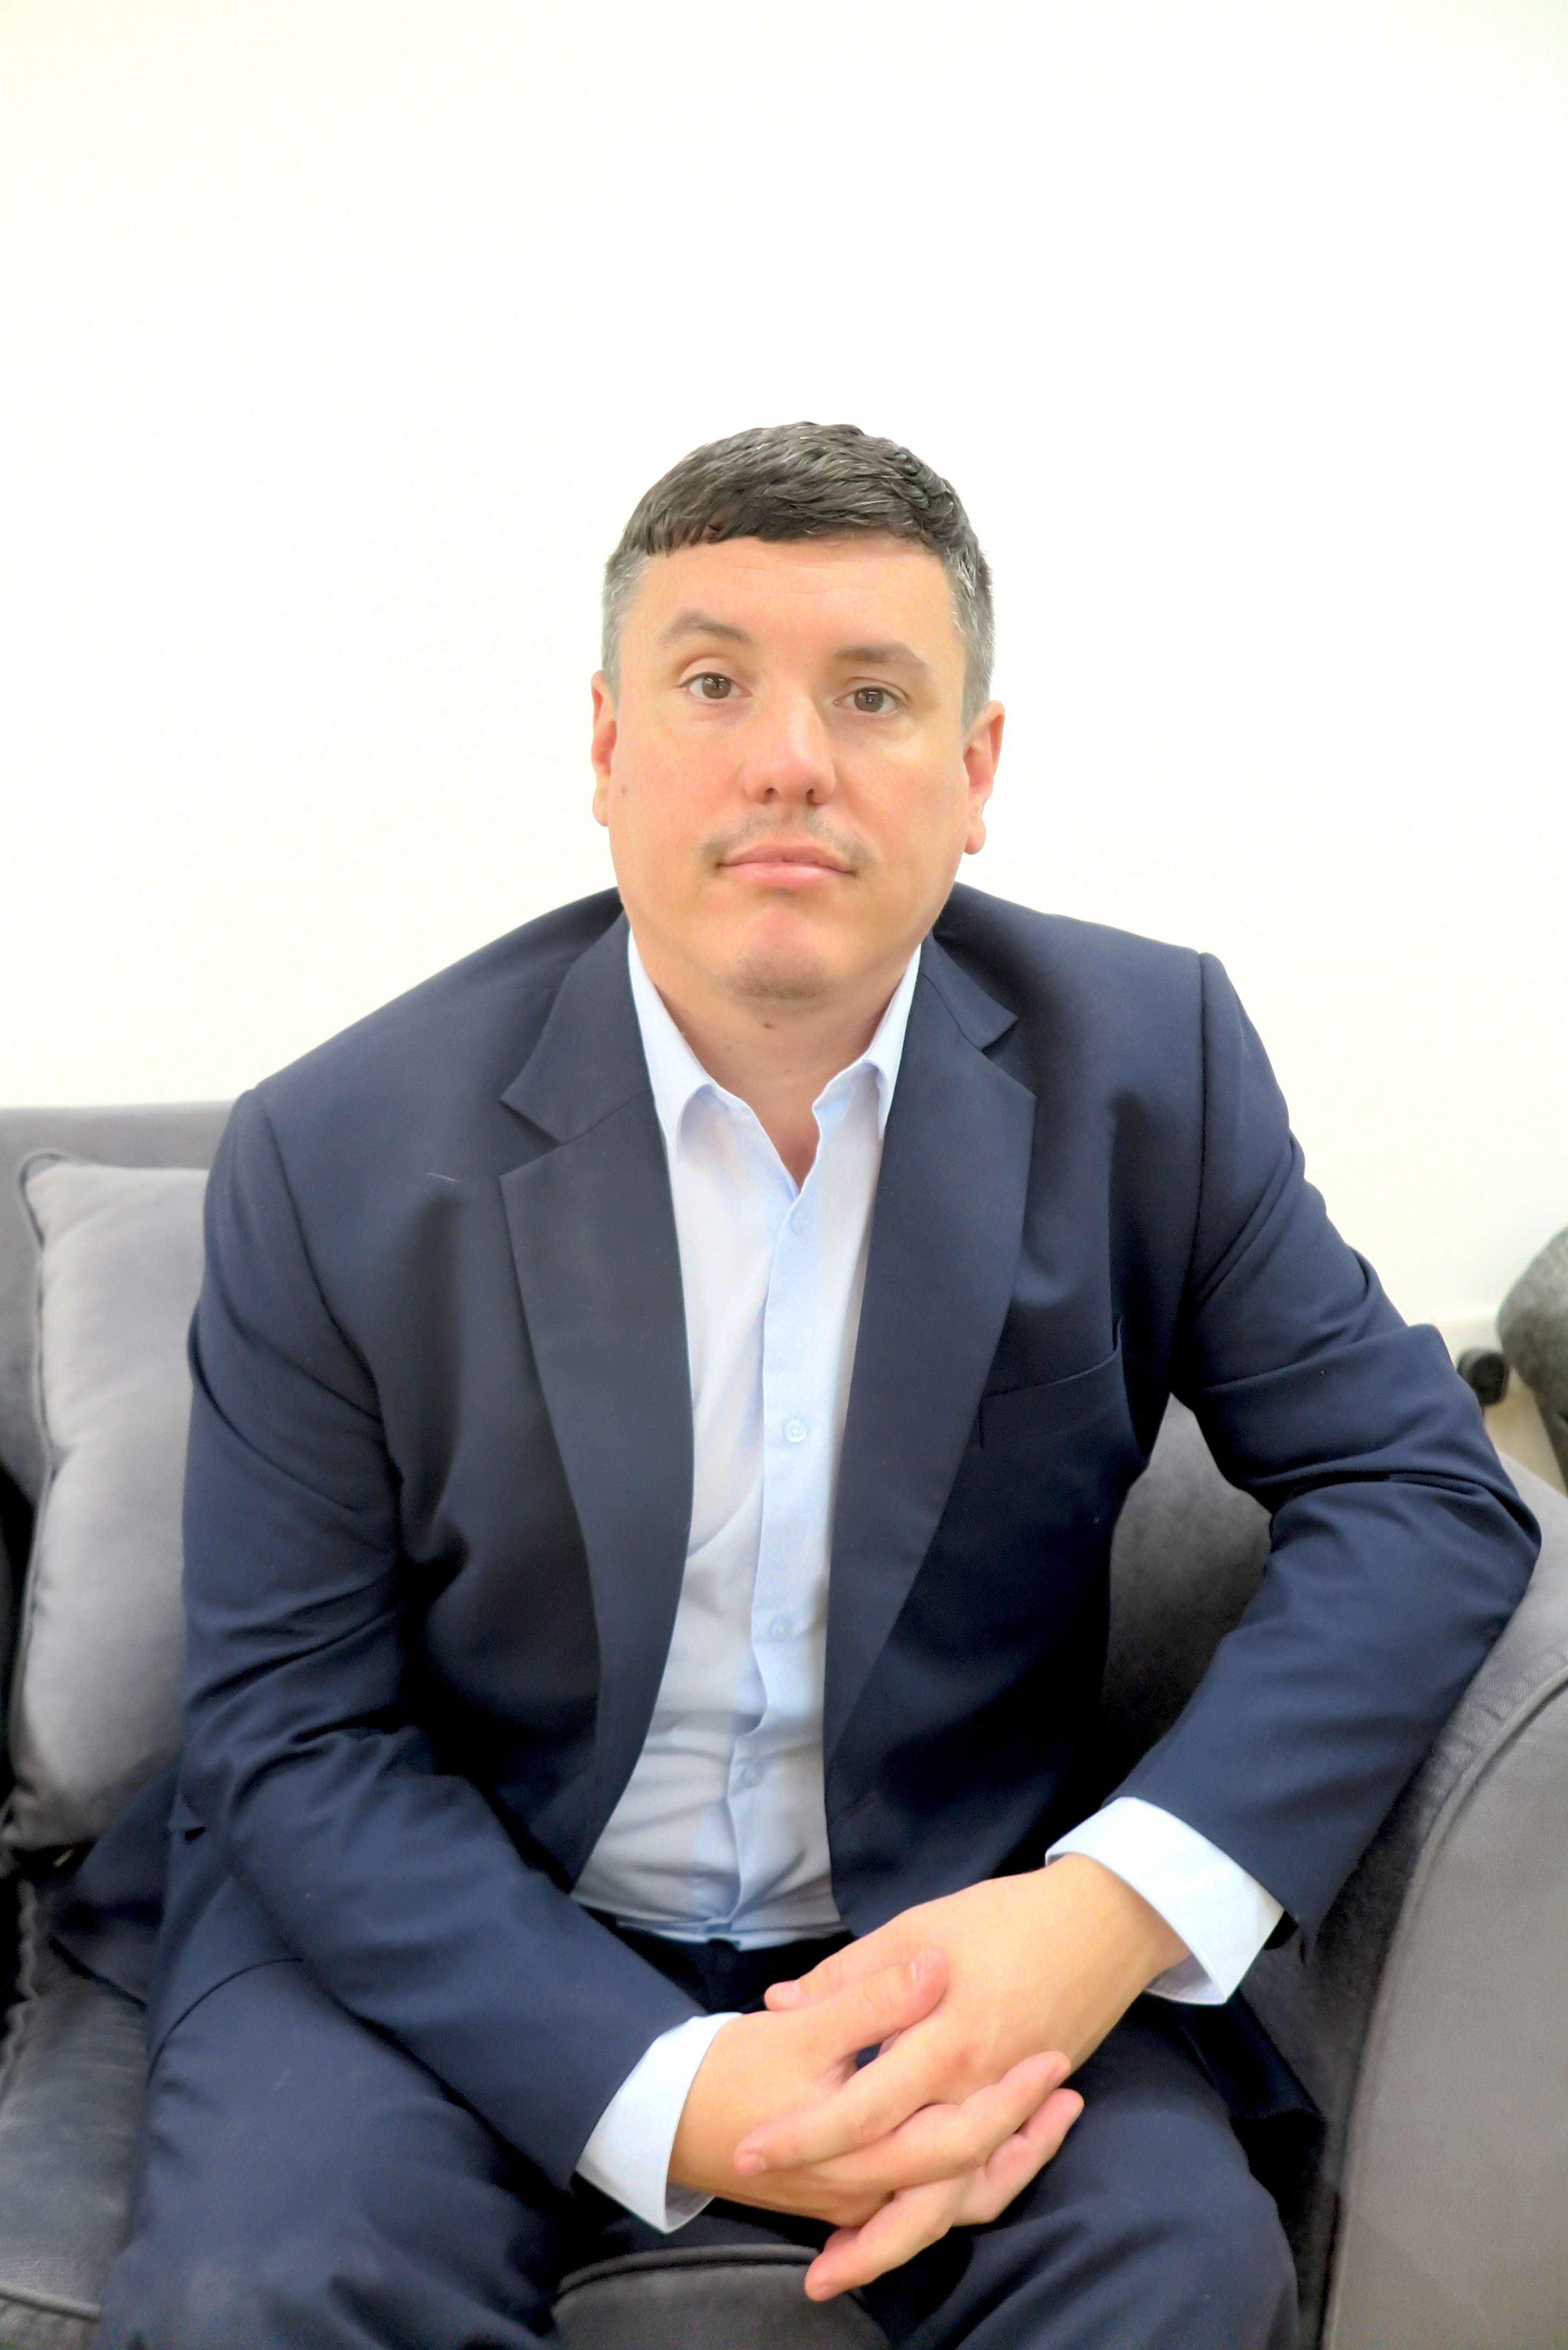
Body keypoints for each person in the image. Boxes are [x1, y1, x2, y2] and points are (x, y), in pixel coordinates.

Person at [85, 422, 1537, 2348]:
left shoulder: (1152, 1067)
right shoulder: (337, 1146)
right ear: (606, 749)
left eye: (872, 694)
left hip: (949, 1921)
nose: (791, 757)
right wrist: (673, 2090)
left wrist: (1106, 1913)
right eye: (712, 685)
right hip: (454, 1912)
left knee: (1177, 2270)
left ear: (976, 772)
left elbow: (1421, 1492)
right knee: (274, 2286)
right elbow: (289, 1724)